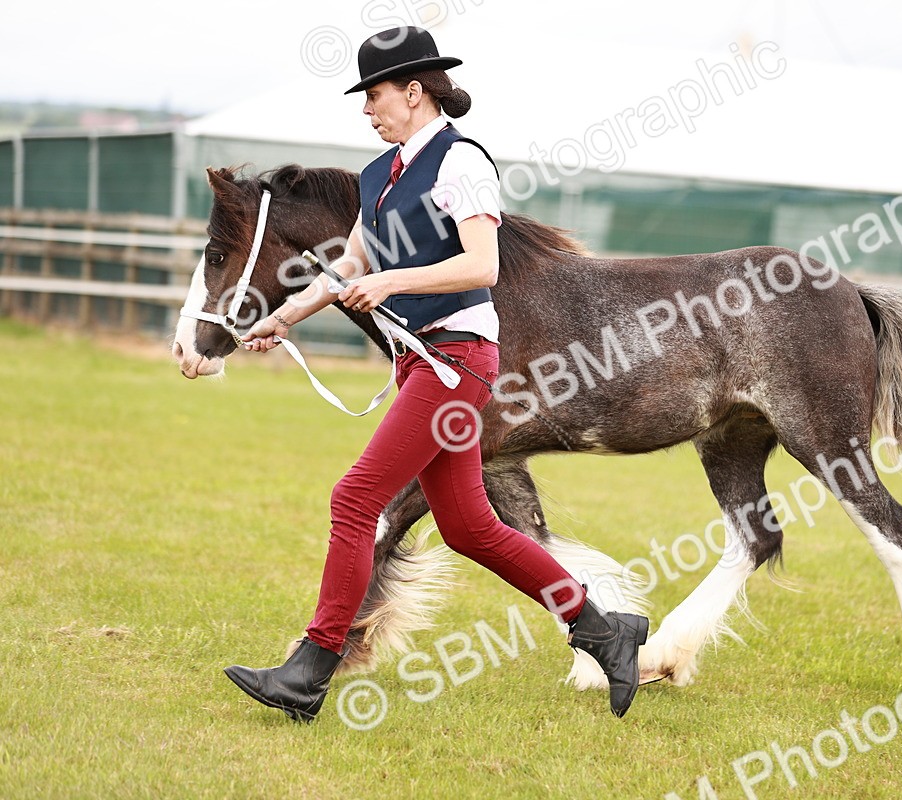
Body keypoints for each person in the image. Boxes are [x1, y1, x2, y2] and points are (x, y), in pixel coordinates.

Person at [222, 26, 648, 721]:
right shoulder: (377, 176)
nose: (367, 110)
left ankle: (310, 668)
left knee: (355, 499)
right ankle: (603, 629)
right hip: (423, 361)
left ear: (414, 91)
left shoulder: (462, 163)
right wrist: (285, 316)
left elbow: (482, 264)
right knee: (470, 528)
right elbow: (352, 264)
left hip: (456, 360)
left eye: (375, 95)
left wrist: (395, 283)